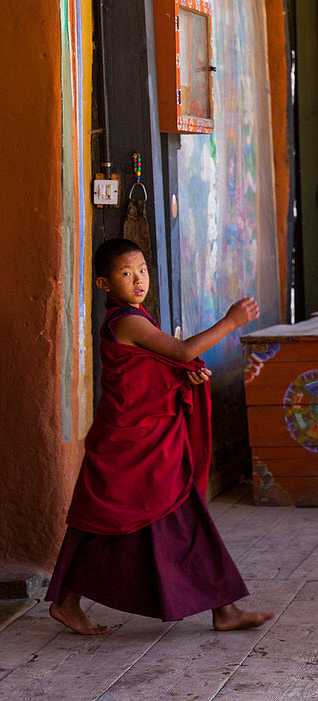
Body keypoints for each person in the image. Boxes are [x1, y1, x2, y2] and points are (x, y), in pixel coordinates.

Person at [47, 237, 274, 636]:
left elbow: (157, 369)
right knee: (127, 520)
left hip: (148, 441)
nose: (138, 280)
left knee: (129, 521)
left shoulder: (136, 317)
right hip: (134, 443)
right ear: (104, 284)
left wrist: (180, 379)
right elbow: (184, 351)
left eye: (142, 270)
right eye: (125, 273)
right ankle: (224, 610)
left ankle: (223, 609)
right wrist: (231, 322)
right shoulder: (128, 321)